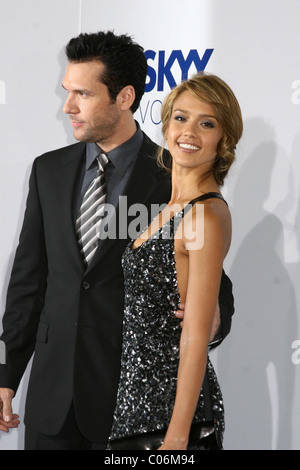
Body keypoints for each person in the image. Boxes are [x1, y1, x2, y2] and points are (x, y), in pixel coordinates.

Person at [0, 31, 235, 450]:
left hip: (130, 405)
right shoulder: (47, 171)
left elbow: (214, 288)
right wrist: (5, 374)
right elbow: (28, 282)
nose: (68, 106)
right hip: (51, 404)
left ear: (124, 97)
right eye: (67, 92)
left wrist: (216, 318)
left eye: (82, 94)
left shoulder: (174, 179)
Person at [107, 72, 243, 450]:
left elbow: (196, 335)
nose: (189, 132)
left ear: (224, 138)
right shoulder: (167, 209)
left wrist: (177, 437)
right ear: (166, 125)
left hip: (171, 425)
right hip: (134, 416)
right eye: (181, 118)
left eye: (207, 123)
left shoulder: (205, 215)